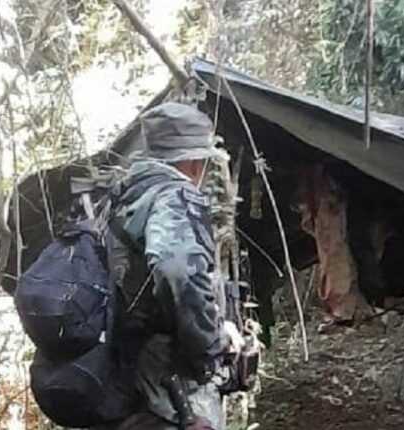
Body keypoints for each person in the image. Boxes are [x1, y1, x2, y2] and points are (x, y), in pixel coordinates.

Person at [101, 102, 242, 430]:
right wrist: (211, 344)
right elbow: (175, 268)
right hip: (170, 384)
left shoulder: (121, 199)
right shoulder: (172, 194)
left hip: (123, 373)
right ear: (192, 161)